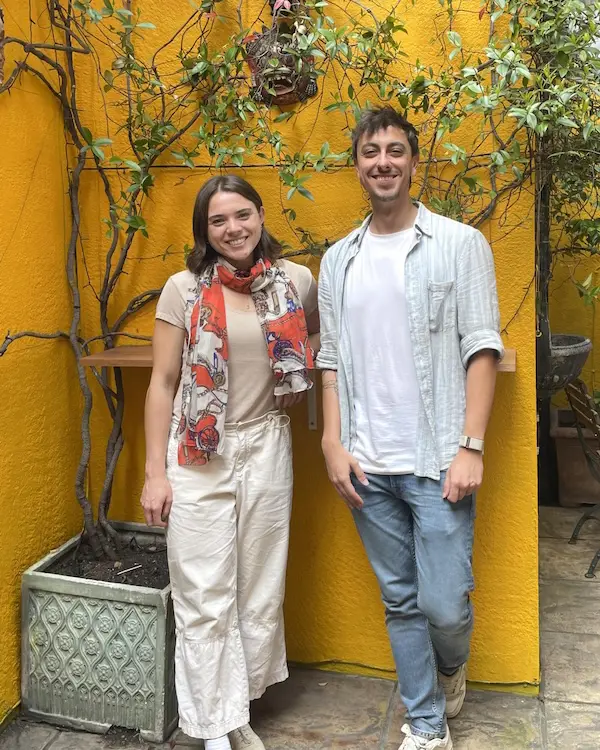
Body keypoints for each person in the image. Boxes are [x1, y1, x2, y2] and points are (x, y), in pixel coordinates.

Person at [316, 107, 503, 750]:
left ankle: (451, 667)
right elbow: (332, 358)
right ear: (358, 165)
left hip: (437, 458)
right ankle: (425, 724)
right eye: (371, 151)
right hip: (368, 461)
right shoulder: (337, 260)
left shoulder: (459, 244)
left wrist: (470, 446)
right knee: (400, 601)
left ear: (414, 162)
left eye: (396, 150)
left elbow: (482, 349)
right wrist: (331, 442)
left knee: (444, 604)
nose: (383, 161)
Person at [141, 175, 319, 750]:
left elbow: (316, 344)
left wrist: (298, 364)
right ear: (205, 231)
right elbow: (163, 382)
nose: (233, 228)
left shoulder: (294, 281)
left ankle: (235, 707)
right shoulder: (183, 290)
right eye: (218, 221)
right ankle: (213, 727)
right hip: (198, 451)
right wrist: (153, 473)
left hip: (266, 444)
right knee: (202, 590)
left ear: (261, 215)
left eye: (241, 215)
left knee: (257, 588)